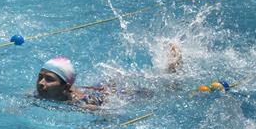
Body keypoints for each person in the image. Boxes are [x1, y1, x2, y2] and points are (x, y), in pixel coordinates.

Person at [34, 42, 183, 109]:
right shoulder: (38, 94)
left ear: (66, 87)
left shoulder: (82, 104)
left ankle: (172, 71)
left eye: (49, 79)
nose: (41, 83)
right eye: (40, 76)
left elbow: (110, 114)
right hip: (97, 88)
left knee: (167, 91)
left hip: (113, 95)